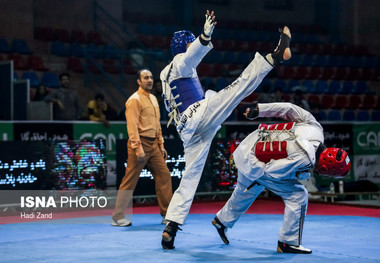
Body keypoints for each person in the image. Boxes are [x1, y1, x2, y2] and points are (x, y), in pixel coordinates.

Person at [160, 9, 292, 249]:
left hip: (187, 132)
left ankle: (171, 226)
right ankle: (273, 57)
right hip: (199, 115)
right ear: (185, 46)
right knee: (237, 88)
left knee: (189, 177)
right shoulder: (181, 62)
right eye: (189, 44)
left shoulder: (163, 75)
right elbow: (190, 57)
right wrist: (204, 38)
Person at [212, 102, 351, 254]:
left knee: (247, 190)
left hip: (250, 142)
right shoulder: (305, 158)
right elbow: (272, 172)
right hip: (254, 161)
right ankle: (287, 243)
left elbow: (288, 108)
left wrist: (259, 109)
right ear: (325, 169)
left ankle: (221, 221)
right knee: (298, 195)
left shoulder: (316, 128)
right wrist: (296, 174)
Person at [112, 69, 172, 227]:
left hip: (154, 145)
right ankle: (118, 217)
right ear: (139, 81)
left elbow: (157, 124)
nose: (150, 80)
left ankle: (167, 215)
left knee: (164, 175)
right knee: (129, 180)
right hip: (140, 144)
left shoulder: (153, 98)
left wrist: (161, 144)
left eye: (151, 77)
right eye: (146, 78)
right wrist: (138, 149)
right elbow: (132, 127)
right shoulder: (134, 100)